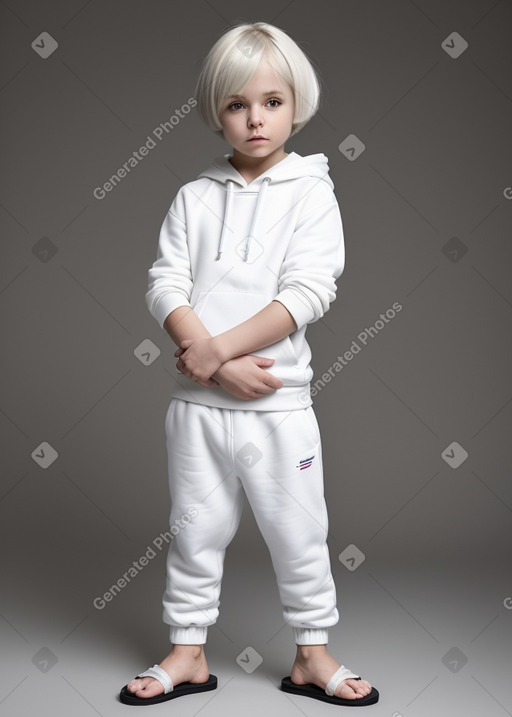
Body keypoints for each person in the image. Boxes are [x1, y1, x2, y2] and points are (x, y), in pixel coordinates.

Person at [120, 21, 379, 708]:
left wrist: (212, 352)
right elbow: (164, 283)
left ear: (297, 104)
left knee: (299, 532)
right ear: (216, 112)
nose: (255, 118)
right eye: (237, 104)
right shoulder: (194, 197)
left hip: (278, 406)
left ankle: (311, 655)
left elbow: (308, 291)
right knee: (194, 531)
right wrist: (210, 367)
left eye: (271, 100)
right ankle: (188, 651)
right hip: (197, 408)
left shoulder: (311, 190)